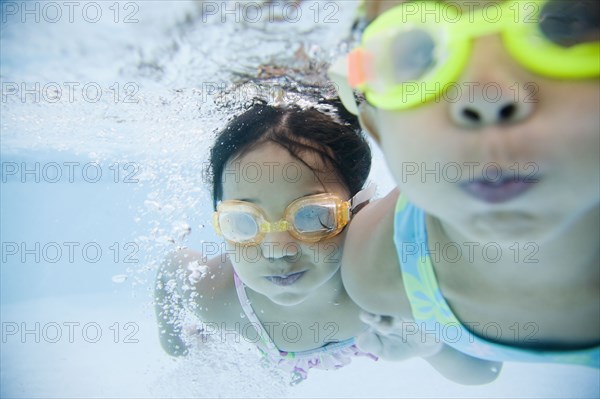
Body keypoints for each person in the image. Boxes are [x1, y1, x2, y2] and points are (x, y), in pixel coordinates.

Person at [329, 0, 600, 370]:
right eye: (419, 53)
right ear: (377, 128)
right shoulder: (377, 271)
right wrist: (435, 348)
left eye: (564, 25)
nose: (485, 96)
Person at [154, 98, 501, 384]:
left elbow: (485, 371)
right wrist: (178, 347)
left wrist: (434, 347)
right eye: (243, 222)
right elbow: (171, 272)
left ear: (360, 207)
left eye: (312, 216)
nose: (277, 249)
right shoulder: (215, 298)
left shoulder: (393, 274)